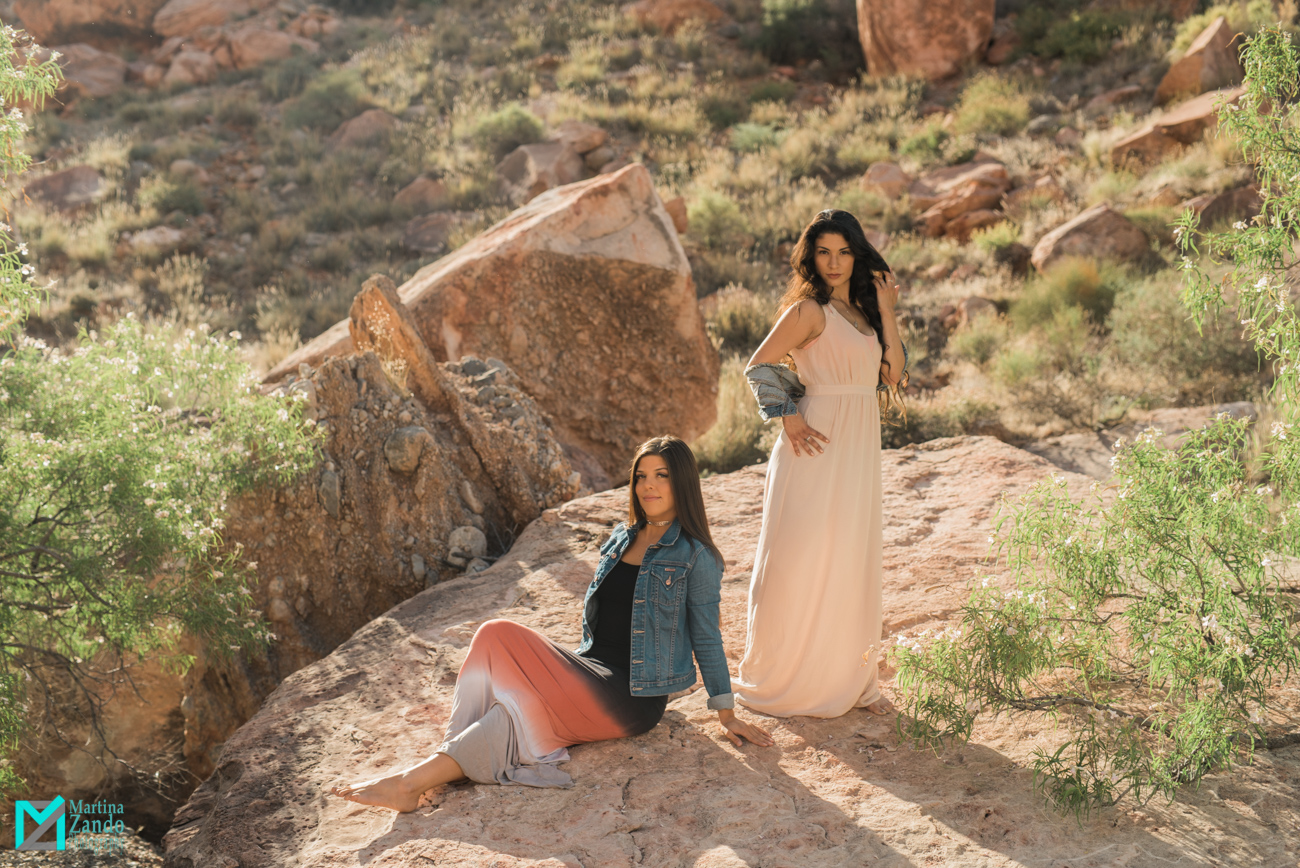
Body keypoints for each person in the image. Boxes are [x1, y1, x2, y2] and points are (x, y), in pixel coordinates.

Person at [329, 435, 773, 812]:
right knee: (502, 672)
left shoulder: (696, 556)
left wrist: (726, 711)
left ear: (683, 483)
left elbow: (708, 637)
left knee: (505, 653)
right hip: (589, 668)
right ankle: (418, 777)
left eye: (662, 476)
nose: (648, 486)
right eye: (642, 475)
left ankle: (412, 782)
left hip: (634, 696)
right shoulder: (623, 537)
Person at [733, 208, 905, 719]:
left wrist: (889, 311)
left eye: (844, 252)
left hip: (857, 445)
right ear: (812, 257)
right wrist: (788, 417)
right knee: (800, 556)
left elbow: (893, 376)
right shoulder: (809, 311)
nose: (834, 262)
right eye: (824, 252)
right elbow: (758, 364)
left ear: (858, 254)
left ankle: (847, 677)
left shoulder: (866, 313)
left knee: (850, 553)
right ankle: (789, 675)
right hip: (815, 442)